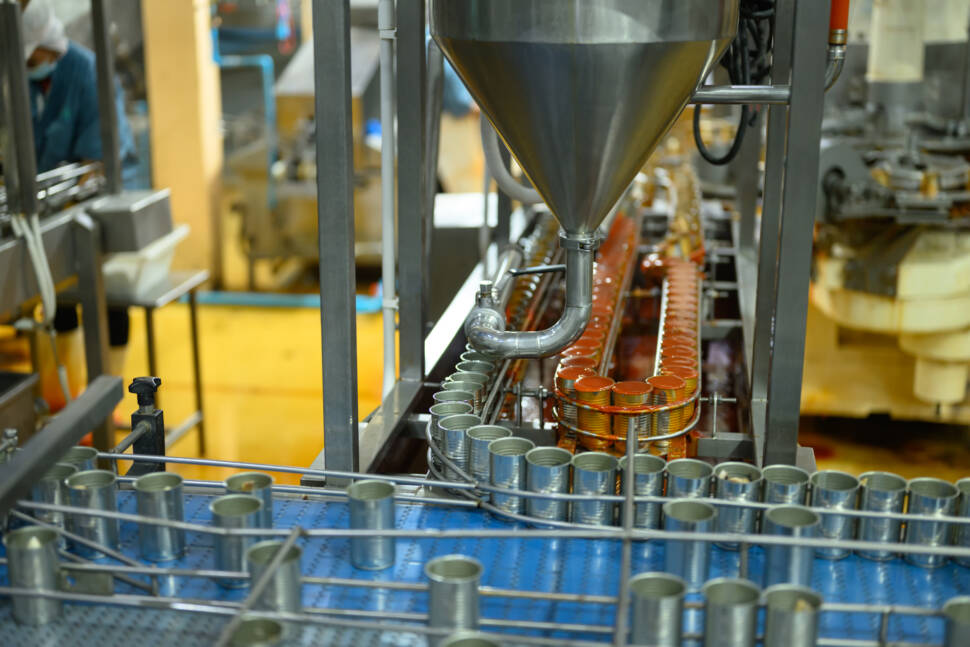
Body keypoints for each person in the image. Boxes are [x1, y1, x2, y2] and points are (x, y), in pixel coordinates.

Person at [22, 0, 136, 177]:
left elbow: (98, 161)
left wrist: (68, 203)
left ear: (47, 45)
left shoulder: (89, 73)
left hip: (96, 187)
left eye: (30, 61)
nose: (25, 67)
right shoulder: (26, 81)